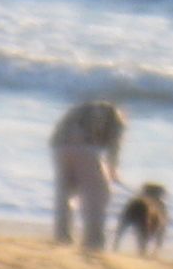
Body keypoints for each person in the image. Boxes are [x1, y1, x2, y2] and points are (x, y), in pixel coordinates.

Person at [50, 100, 127, 251]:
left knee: (65, 194)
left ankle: (62, 236)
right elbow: (114, 146)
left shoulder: (82, 107)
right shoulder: (117, 117)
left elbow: (59, 128)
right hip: (86, 145)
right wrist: (113, 170)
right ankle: (94, 240)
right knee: (98, 195)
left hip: (59, 146)